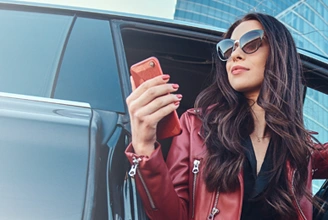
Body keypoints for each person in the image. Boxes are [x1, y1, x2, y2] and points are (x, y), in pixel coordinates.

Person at [125, 12, 328, 220]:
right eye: (229, 48)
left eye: (250, 42)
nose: (235, 55)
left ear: (279, 53)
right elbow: (171, 216)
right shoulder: (196, 126)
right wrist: (144, 147)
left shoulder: (299, 148)